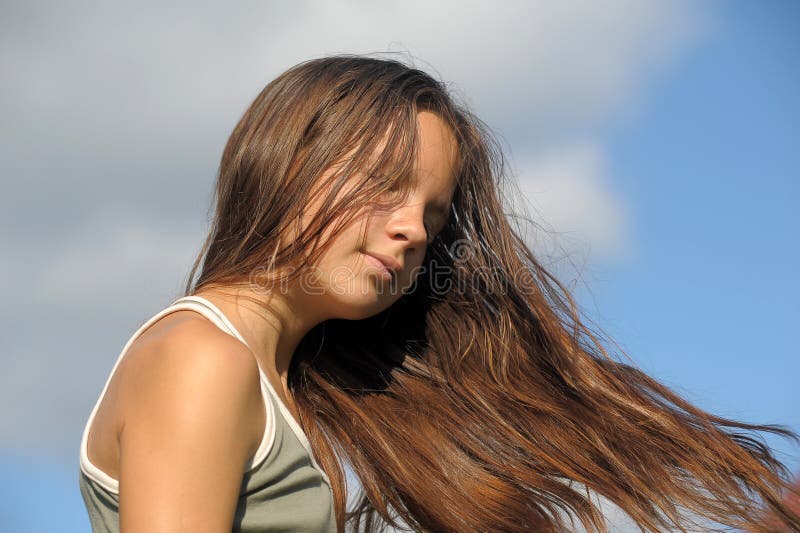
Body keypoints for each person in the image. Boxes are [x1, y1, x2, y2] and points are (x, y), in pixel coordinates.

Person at [78, 54, 800, 533]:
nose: (412, 231)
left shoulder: (285, 383)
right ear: (293, 161)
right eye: (387, 187)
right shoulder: (202, 358)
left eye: (433, 213)